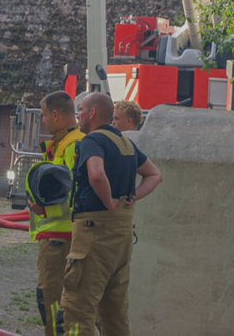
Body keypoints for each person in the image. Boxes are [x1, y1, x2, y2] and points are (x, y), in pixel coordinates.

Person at [56, 93, 162, 336]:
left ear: (92, 113)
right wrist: (131, 196)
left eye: (80, 109)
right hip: (121, 239)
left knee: (77, 308)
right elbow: (155, 175)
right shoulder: (125, 143)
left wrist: (108, 201)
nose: (78, 115)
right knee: (114, 313)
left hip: (95, 234)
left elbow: (95, 174)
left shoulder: (92, 140)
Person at [28, 91, 85, 336]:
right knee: (60, 301)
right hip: (58, 236)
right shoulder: (66, 142)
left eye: (43, 115)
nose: (42, 121)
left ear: (55, 114)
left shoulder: (72, 145)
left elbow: (75, 195)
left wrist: (42, 208)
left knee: (51, 298)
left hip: (60, 238)